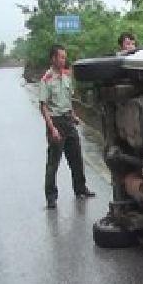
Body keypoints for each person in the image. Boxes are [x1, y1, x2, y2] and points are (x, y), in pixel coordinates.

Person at [39, 44, 95, 209]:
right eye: (61, 57)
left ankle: (80, 189)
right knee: (53, 162)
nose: (64, 60)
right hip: (55, 122)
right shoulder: (47, 79)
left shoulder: (66, 75)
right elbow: (43, 106)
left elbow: (68, 100)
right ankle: (51, 196)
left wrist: (73, 116)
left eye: (64, 57)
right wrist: (52, 128)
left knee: (76, 157)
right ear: (53, 58)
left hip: (68, 121)